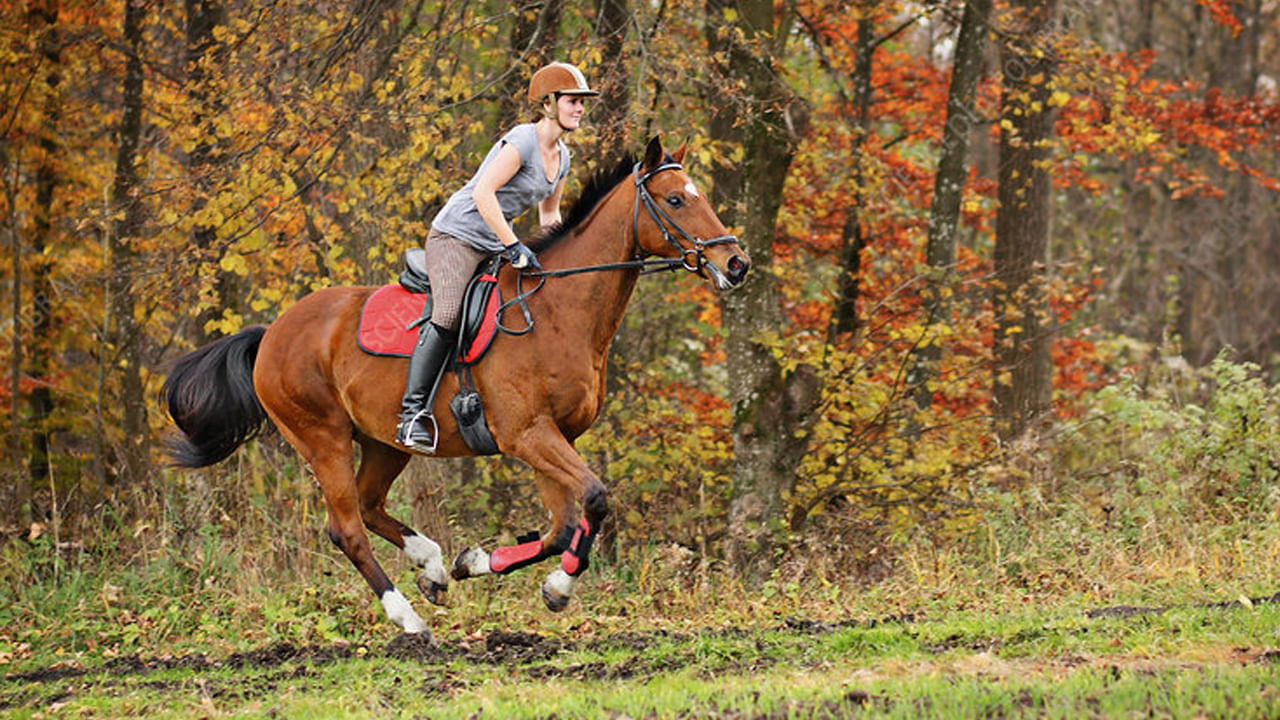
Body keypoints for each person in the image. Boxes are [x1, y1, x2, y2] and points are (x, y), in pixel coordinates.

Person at [396, 62, 598, 453]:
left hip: (493, 243)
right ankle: (412, 415)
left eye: (581, 103)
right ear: (548, 104)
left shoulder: (562, 156)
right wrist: (513, 246)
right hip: (455, 236)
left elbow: (549, 218)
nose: (580, 109)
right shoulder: (522, 140)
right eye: (573, 101)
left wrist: (556, 261)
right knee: (449, 313)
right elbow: (483, 195)